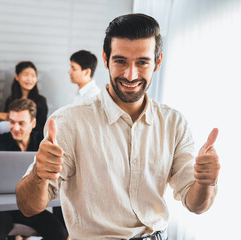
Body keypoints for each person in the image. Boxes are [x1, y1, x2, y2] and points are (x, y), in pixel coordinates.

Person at [16, 13, 220, 240]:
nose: (130, 75)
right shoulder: (69, 122)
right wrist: (38, 175)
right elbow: (28, 207)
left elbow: (196, 205)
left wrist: (206, 182)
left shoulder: (174, 123)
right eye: (120, 61)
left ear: (158, 62)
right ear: (106, 59)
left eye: (142, 62)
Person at [0, 99, 67, 240]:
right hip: (1, 207)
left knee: (59, 233)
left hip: (28, 204)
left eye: (21, 123)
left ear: (33, 123)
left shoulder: (43, 144)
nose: (15, 127)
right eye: (12, 122)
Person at [4, 61, 48, 141]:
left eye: (33, 76)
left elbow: (42, 128)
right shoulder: (10, 100)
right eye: (25, 75)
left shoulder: (41, 101)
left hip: (35, 142)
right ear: (17, 77)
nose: (30, 79)